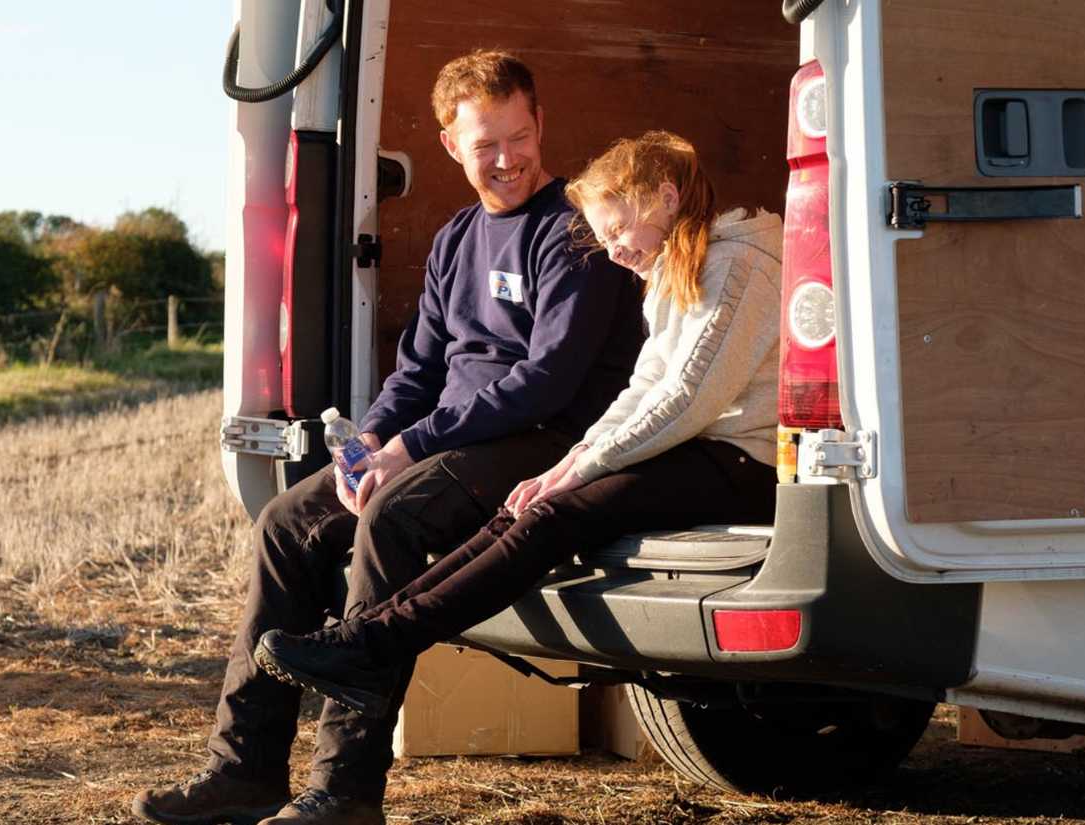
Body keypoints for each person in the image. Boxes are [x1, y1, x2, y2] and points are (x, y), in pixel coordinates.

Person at [131, 51, 644, 825]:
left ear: (539, 124)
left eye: (517, 137)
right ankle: (244, 768)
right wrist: (370, 441)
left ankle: (345, 788)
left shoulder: (573, 234)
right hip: (457, 440)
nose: (505, 159)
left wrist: (408, 451)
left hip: (548, 438)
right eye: (485, 146)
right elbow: (418, 371)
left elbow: (547, 381)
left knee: (394, 514)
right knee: (286, 525)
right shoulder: (456, 239)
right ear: (450, 145)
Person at [252, 131, 783, 723]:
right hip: (695, 450)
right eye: (603, 238)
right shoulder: (678, 268)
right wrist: (568, 463)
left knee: (556, 514)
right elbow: (643, 387)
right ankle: (369, 639)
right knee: (525, 506)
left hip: (741, 460)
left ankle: (371, 643)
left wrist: (579, 468)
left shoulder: (739, 265)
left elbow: (684, 401)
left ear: (663, 197)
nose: (613, 252)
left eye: (616, 231)